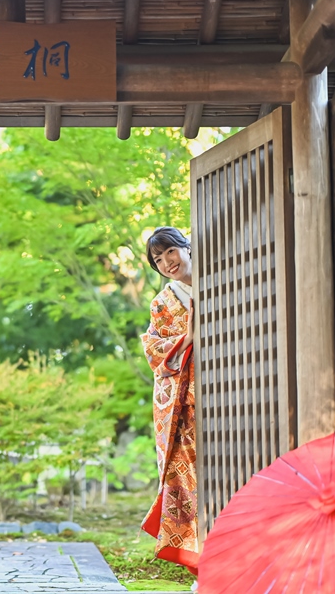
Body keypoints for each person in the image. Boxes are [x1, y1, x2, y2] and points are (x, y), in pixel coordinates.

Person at [140, 226, 199, 577]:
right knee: (187, 482)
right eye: (158, 260)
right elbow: (153, 350)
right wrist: (187, 338)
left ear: (186, 247)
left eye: (170, 252)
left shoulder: (217, 280)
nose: (167, 263)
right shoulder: (162, 303)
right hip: (186, 406)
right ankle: (201, 567)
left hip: (227, 391)